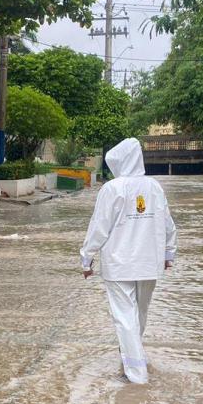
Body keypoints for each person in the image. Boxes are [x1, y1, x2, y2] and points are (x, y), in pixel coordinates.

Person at [80, 137, 178, 384]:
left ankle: (136, 374)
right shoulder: (154, 187)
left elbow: (99, 227)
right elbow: (168, 223)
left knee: (125, 317)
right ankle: (132, 358)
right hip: (149, 262)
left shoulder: (112, 189)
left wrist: (86, 257)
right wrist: (168, 253)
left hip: (119, 263)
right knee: (139, 315)